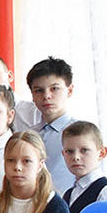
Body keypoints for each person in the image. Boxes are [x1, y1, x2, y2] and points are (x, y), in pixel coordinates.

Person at [27, 57, 78, 193]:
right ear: (32, 95)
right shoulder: (28, 135)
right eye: (39, 90)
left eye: (54, 88)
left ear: (69, 90)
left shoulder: (83, 133)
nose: (46, 96)